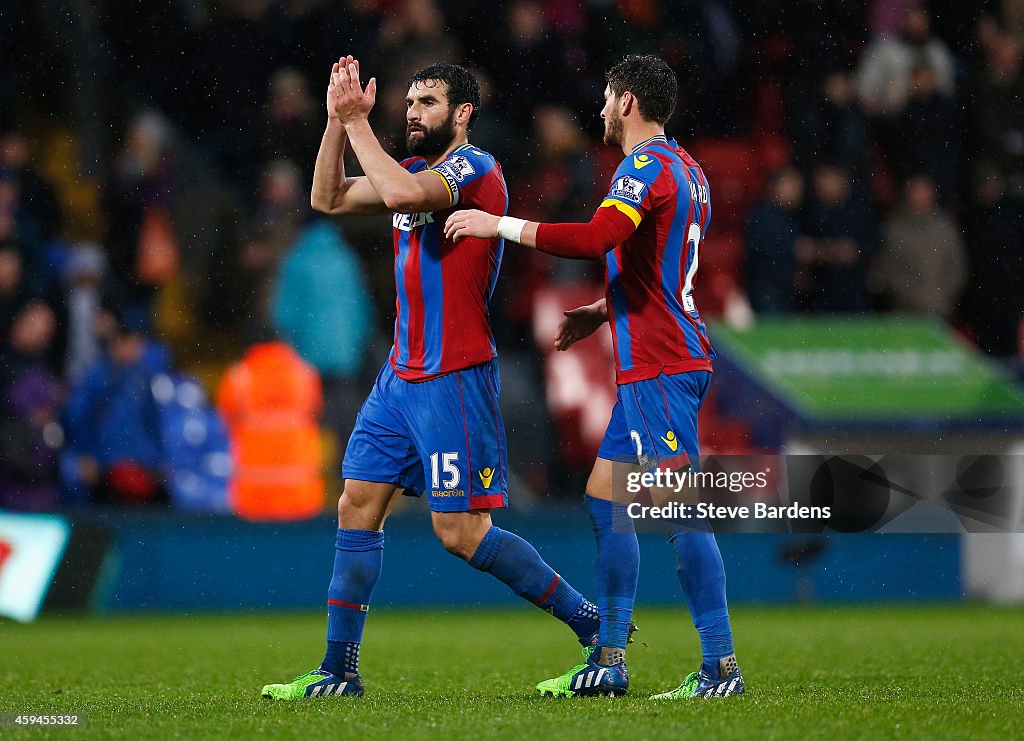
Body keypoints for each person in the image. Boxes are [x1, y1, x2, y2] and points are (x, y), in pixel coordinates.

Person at [260, 58, 601, 701]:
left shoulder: (476, 169)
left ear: (461, 113)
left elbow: (400, 198)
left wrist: (359, 123)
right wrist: (336, 123)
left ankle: (592, 624)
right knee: (356, 504)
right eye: (409, 102)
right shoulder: (412, 170)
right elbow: (326, 198)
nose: (412, 113)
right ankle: (339, 672)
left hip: (455, 378)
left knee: (459, 533)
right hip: (400, 375)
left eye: (427, 103)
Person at [446, 54, 743, 700]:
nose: (602, 110)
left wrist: (497, 223)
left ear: (629, 101)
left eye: (608, 99)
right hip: (658, 359)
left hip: (663, 364)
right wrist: (602, 310)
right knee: (605, 497)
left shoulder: (645, 166)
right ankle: (609, 657)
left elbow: (596, 239)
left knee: (679, 510)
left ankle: (720, 666)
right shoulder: (689, 168)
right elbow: (659, 267)